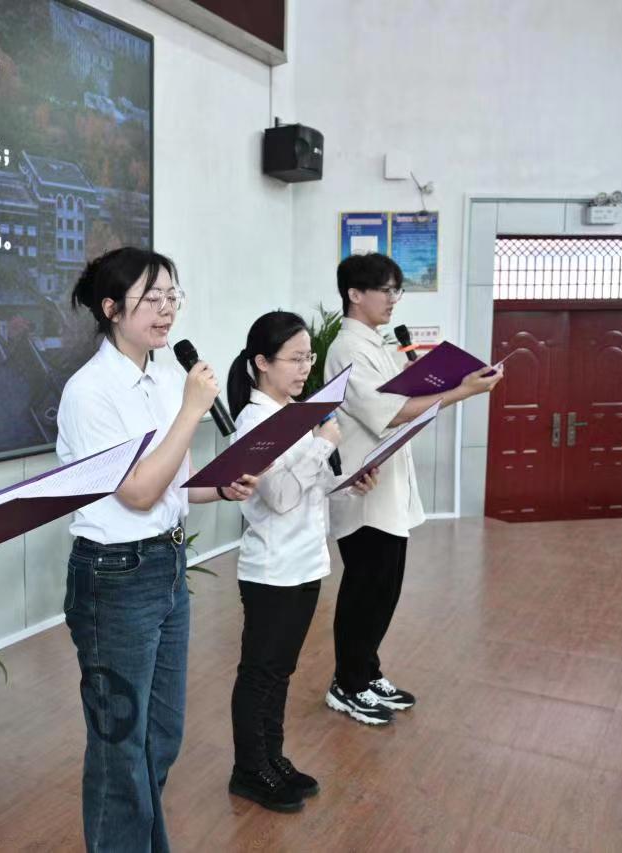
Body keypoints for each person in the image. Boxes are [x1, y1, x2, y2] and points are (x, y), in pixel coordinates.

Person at [55, 246, 259, 852]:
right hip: (113, 577)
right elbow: (139, 493)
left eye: (173, 296)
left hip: (167, 564)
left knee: (161, 736)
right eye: (152, 298)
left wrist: (219, 487)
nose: (167, 309)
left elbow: (173, 483)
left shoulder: (168, 378)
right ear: (112, 309)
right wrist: (192, 411)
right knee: (120, 746)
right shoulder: (89, 392)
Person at [323, 253, 502, 725]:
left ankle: (367, 671)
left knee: (385, 590)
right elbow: (390, 413)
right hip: (364, 488)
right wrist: (461, 390)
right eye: (385, 290)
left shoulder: (379, 345)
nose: (393, 300)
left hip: (389, 486)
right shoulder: (347, 348)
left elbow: (406, 406)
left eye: (396, 290)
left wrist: (433, 385)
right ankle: (346, 684)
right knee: (365, 589)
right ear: (354, 294)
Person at [223, 311, 377, 812]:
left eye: (309, 357)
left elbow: (309, 488)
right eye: (294, 358)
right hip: (272, 569)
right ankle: (249, 770)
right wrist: (324, 444)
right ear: (262, 363)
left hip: (306, 561)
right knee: (261, 672)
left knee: (282, 670)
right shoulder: (254, 423)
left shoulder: (296, 415)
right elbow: (281, 498)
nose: (305, 368)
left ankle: (273, 758)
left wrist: (347, 482)